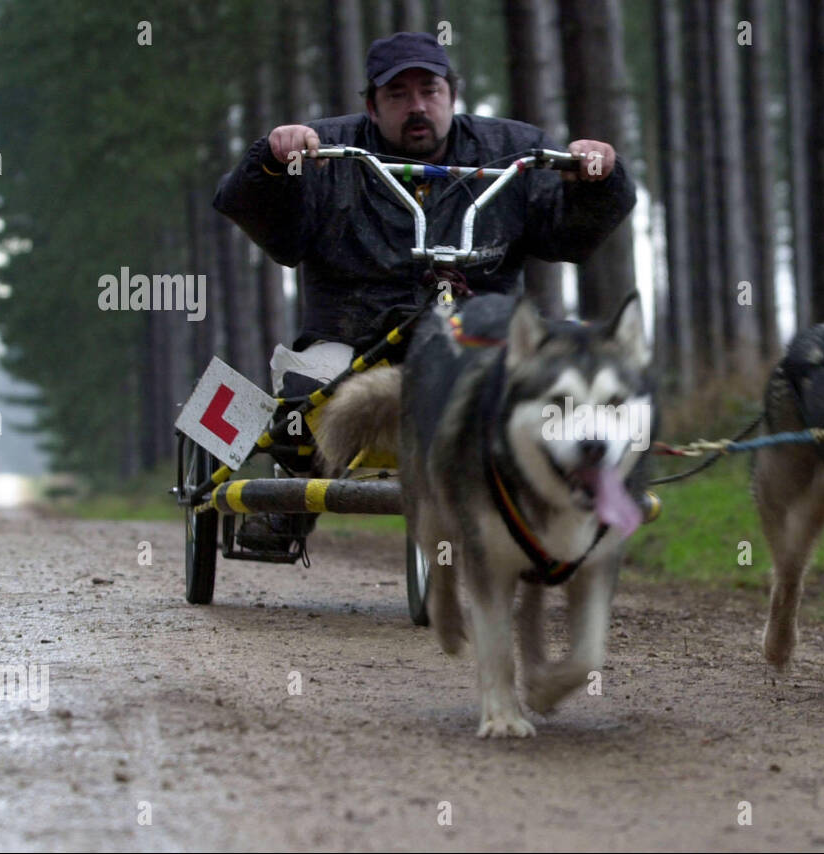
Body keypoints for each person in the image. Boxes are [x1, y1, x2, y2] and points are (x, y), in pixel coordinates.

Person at [212, 31, 635, 552]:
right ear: (371, 105)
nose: (417, 106)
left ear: (451, 95)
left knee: (574, 367)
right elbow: (258, 216)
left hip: (482, 328)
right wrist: (272, 162)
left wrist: (597, 176)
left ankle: (570, 489)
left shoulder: (514, 150)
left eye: (429, 90)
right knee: (302, 402)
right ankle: (290, 507)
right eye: (397, 94)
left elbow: (569, 235)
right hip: (354, 336)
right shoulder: (325, 150)